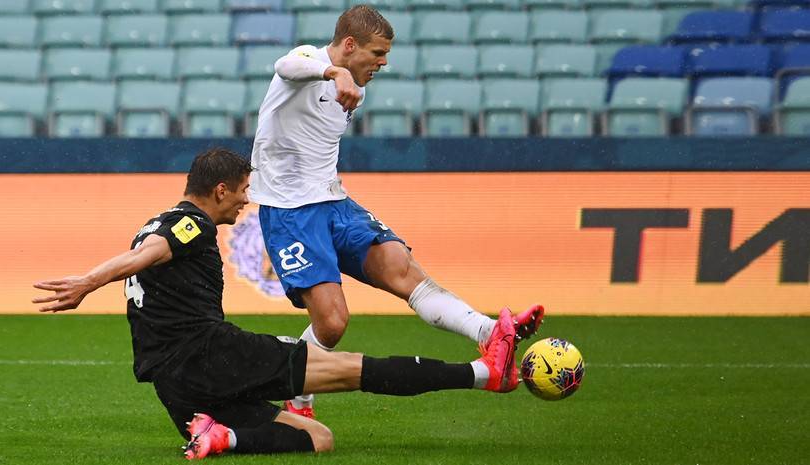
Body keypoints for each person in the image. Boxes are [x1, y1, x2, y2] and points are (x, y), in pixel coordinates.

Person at [32, 148, 521, 460]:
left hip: (175, 388)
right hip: (209, 354)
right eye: (243, 191)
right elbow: (151, 254)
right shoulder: (191, 224)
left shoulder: (157, 219)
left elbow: (148, 251)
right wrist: (88, 282)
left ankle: (222, 437)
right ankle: (482, 376)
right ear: (220, 189)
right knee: (353, 370)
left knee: (317, 439)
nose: (246, 201)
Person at [249, 4, 545, 417]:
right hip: (290, 212)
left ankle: (492, 332)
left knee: (400, 265)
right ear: (349, 45)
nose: (383, 63)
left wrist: (346, 78)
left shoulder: (358, 89)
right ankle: (298, 399)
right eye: (377, 53)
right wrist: (335, 72)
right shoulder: (307, 61)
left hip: (334, 201)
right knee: (332, 324)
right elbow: (285, 65)